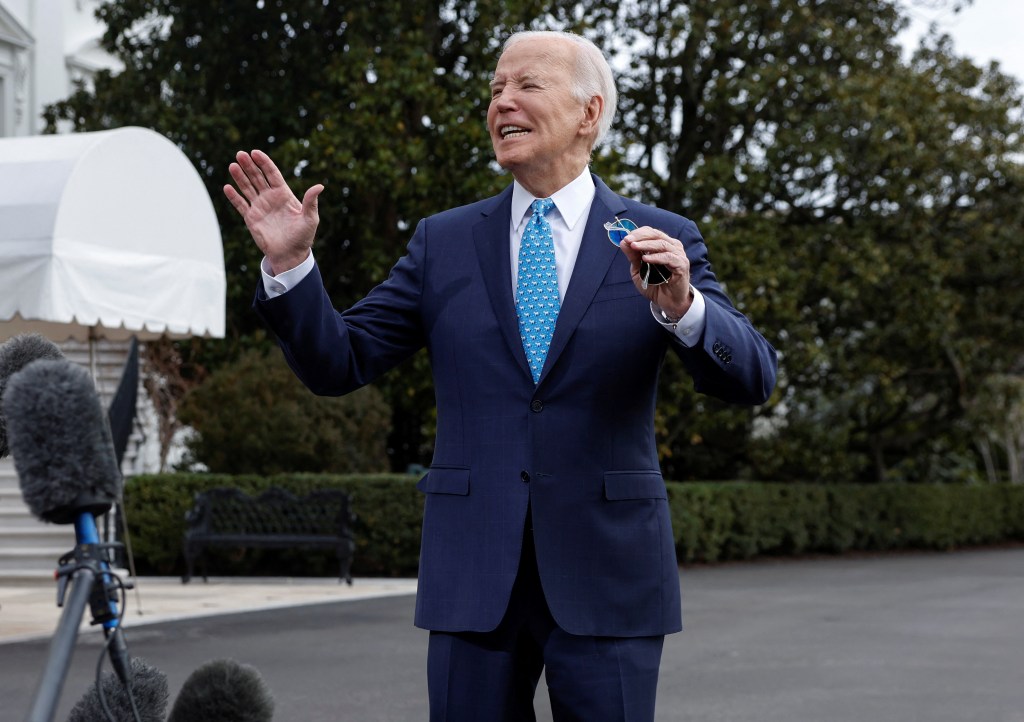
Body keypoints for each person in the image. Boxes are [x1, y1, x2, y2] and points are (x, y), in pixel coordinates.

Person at [224, 29, 777, 722]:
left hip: (609, 578)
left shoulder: (659, 237)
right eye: (494, 89)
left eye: (527, 85)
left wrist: (685, 309)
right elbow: (342, 360)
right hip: (473, 577)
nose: (502, 102)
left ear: (589, 113)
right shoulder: (443, 241)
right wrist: (289, 269)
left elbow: (752, 377)